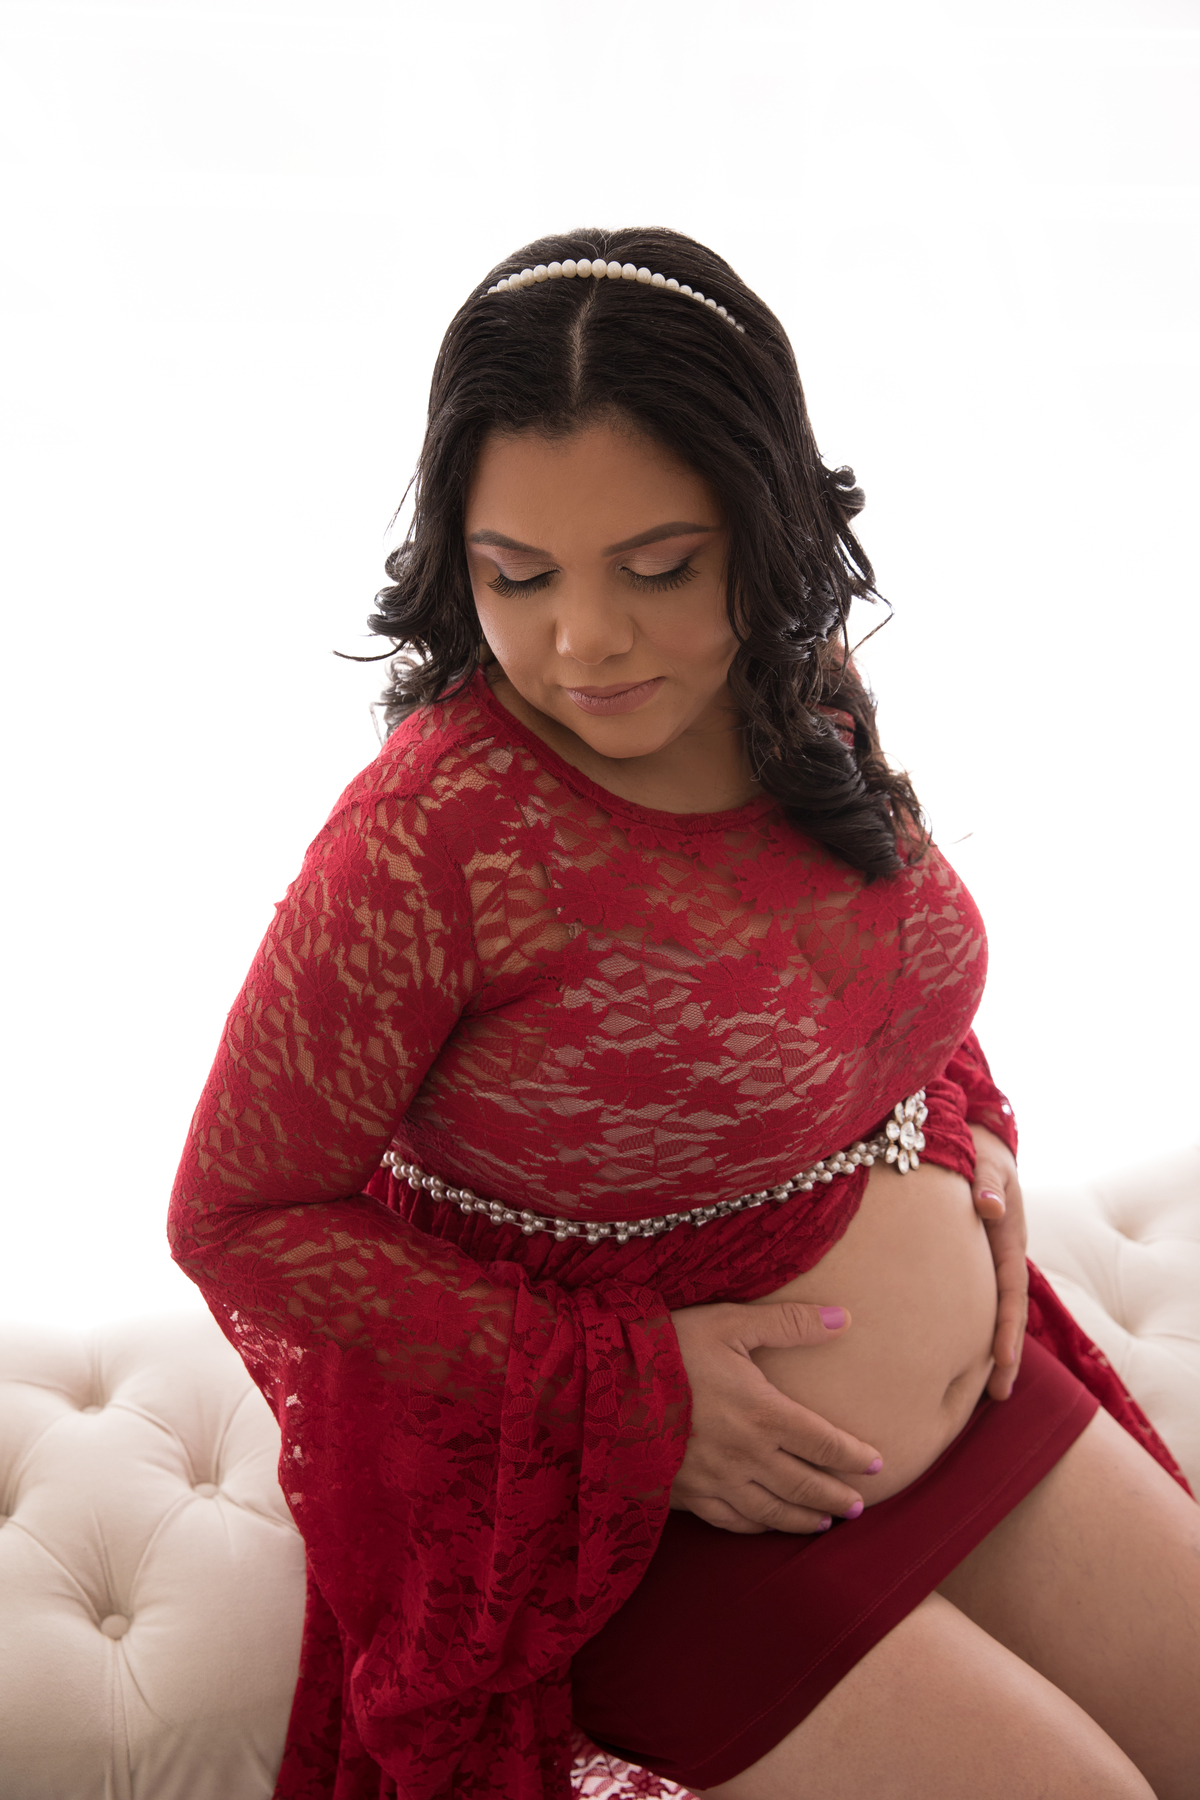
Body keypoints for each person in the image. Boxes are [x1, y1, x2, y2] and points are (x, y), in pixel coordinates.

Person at [169, 228, 1200, 1800]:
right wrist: (628, 1394)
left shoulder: (795, 689)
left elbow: (870, 962)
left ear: (763, 535)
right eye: (517, 575)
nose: (585, 641)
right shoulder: (433, 837)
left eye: (658, 568)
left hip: (967, 1414)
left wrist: (967, 1129)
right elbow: (238, 1214)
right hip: (644, 1515)